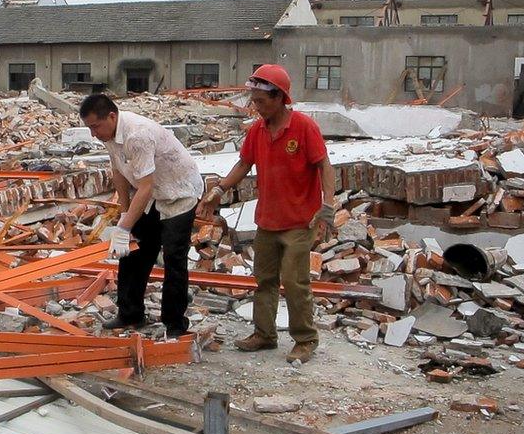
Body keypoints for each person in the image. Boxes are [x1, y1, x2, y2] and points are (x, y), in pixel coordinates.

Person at [197, 64, 336, 363]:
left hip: (300, 220)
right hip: (268, 220)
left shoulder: (303, 127)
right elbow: (243, 164)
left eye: (261, 101)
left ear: (280, 98)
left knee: (295, 281)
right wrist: (219, 189)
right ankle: (264, 334)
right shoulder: (257, 131)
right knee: (264, 280)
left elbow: (324, 165)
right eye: (254, 101)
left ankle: (306, 339)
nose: (256, 107)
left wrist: (329, 205)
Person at [80, 94, 204, 338]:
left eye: (95, 126)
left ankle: (175, 323)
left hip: (179, 191)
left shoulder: (137, 135)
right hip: (153, 193)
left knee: (173, 257)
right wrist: (126, 214)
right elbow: (118, 172)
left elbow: (145, 187)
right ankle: (130, 313)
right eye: (89, 128)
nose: (93, 133)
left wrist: (124, 228)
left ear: (112, 117)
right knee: (134, 251)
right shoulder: (109, 134)